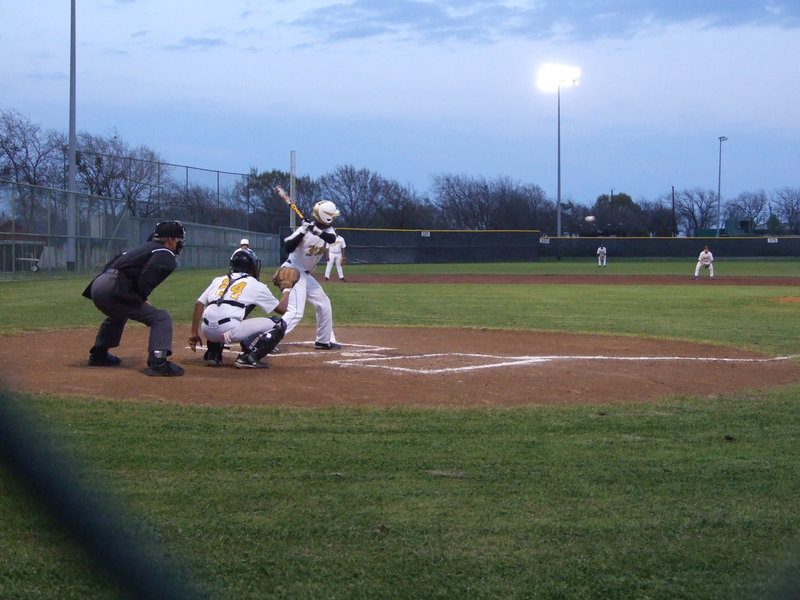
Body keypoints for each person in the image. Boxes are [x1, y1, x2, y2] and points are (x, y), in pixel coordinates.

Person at [83, 220, 186, 376]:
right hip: (114, 287)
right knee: (161, 318)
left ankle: (99, 354)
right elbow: (147, 278)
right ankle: (158, 361)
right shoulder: (166, 253)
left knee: (119, 313)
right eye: (178, 239)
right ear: (170, 239)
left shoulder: (142, 248)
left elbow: (113, 263)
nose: (179, 243)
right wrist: (141, 297)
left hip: (99, 284)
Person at [189, 248, 290, 369]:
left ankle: (213, 354)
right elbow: (282, 309)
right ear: (251, 267)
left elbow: (199, 304)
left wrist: (194, 332)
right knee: (279, 324)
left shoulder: (219, 280)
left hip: (206, 331)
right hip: (228, 331)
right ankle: (248, 358)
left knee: (222, 309)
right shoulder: (255, 284)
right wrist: (287, 289)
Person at [278, 200, 342, 350]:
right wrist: (302, 231)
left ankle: (323, 341)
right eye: (332, 216)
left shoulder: (329, 230)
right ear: (325, 217)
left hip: (305, 275)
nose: (334, 218)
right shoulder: (304, 230)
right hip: (292, 271)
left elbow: (332, 239)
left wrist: (316, 231)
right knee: (295, 313)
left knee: (324, 304)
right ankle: (266, 339)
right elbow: (288, 246)